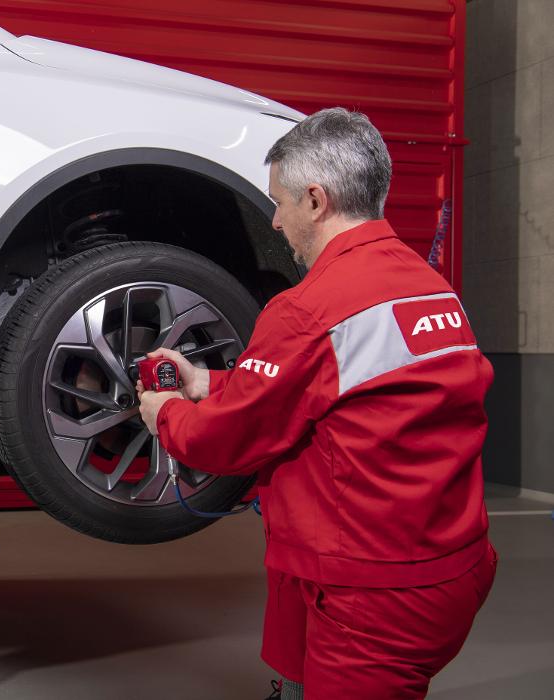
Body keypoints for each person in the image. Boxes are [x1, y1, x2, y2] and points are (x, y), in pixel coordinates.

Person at [136, 108, 497, 700]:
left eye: (279, 202)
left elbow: (223, 441)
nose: (275, 221)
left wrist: (167, 414)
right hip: (448, 565)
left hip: (373, 593)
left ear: (315, 200)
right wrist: (208, 384)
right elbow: (335, 389)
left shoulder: (308, 309)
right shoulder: (431, 289)